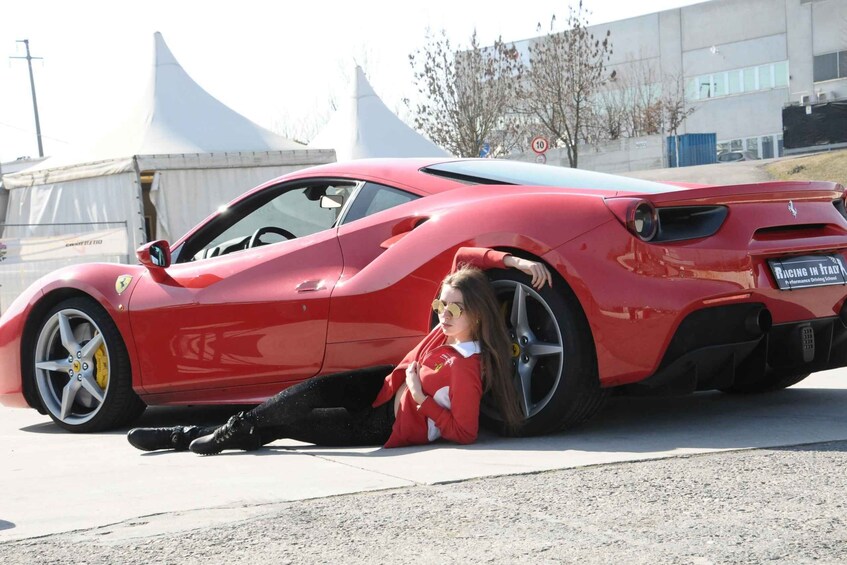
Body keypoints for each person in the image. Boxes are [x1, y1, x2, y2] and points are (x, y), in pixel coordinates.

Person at [127, 247, 552, 455]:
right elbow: (463, 255)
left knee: (289, 425)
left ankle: (184, 436)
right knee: (304, 393)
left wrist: (421, 399)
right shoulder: (448, 331)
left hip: (384, 423)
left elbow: (466, 431)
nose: (443, 314)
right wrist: (513, 262)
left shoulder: (467, 367)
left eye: (454, 309)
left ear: (476, 316)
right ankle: (218, 435)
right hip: (384, 383)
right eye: (441, 304)